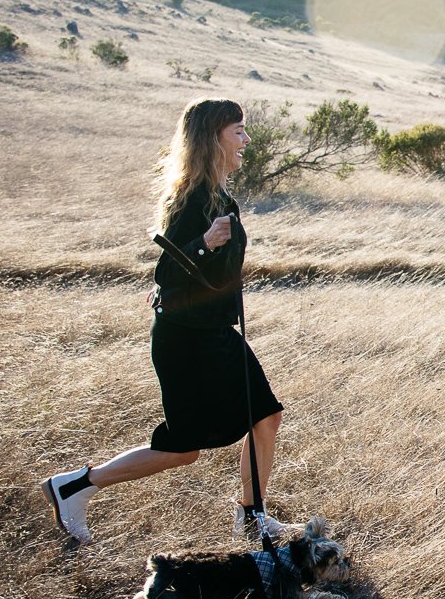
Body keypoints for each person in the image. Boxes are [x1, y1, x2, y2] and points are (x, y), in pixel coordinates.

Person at [42, 98, 289, 545]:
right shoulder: (192, 197)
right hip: (190, 339)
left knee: (261, 417)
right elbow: (169, 267)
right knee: (183, 447)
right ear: (213, 139)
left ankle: (251, 516)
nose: (246, 139)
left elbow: (187, 277)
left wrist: (202, 259)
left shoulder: (218, 195)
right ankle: (74, 486)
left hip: (207, 331)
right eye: (238, 130)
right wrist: (204, 245)